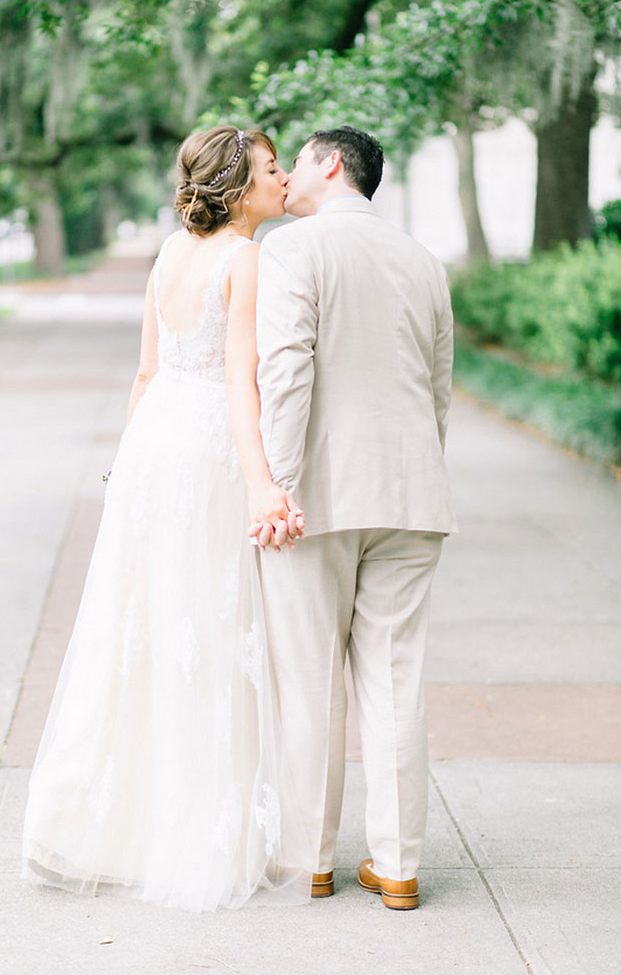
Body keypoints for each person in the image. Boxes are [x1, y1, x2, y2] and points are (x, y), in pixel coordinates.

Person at [22, 126, 310, 911]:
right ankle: (200, 833)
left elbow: (147, 372)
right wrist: (263, 484)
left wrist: (127, 467)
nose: (281, 179)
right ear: (239, 187)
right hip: (209, 451)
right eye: (270, 169)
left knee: (144, 629)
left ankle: (106, 824)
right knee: (209, 635)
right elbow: (240, 383)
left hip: (155, 449)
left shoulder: (169, 253)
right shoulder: (244, 258)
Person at [252, 125, 457, 909]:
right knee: (396, 681)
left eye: (297, 159)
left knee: (311, 681)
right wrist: (418, 473)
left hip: (317, 499)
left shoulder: (294, 251)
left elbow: (288, 369)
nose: (290, 174)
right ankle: (399, 866)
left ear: (331, 163)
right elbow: (437, 388)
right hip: (411, 493)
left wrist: (279, 485)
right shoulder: (422, 260)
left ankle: (313, 858)